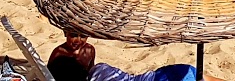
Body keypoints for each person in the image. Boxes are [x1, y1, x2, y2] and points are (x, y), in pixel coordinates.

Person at [47, 35, 220, 81]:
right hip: (163, 74)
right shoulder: (99, 68)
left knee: (197, 76)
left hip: (163, 78)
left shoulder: (95, 69)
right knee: (199, 75)